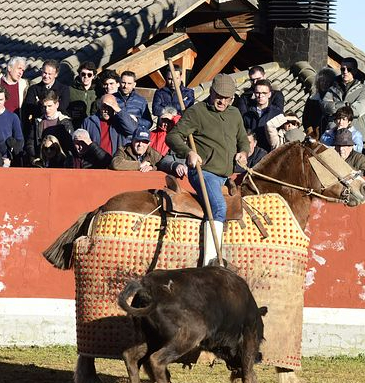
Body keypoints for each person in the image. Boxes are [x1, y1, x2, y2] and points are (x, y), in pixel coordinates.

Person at [167, 73, 249, 265]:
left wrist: (243, 152)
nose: (222, 101)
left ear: (232, 98)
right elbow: (173, 137)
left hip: (227, 176)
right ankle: (211, 261)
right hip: (204, 173)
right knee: (218, 207)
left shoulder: (235, 113)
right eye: (219, 96)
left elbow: (243, 139)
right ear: (211, 92)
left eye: (227, 98)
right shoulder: (197, 112)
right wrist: (188, 152)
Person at [322, 57, 365, 146]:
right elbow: (325, 106)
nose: (345, 71)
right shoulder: (332, 88)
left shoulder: (363, 89)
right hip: (334, 134)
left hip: (356, 136)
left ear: (355, 71)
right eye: (342, 69)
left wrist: (336, 107)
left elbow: (358, 110)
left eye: (349, 69)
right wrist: (345, 105)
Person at [25, 90, 74, 165]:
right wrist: (35, 157)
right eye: (44, 106)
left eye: (50, 106)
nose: (47, 109)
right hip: (42, 162)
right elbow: (30, 142)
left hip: (61, 163)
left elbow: (70, 145)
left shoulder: (65, 122)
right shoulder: (38, 122)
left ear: (57, 104)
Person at [111, 129, 187, 177]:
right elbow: (116, 163)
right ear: (132, 141)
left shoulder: (154, 154)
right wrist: (140, 165)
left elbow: (161, 164)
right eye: (137, 141)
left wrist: (152, 168)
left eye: (144, 142)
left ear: (149, 143)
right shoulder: (123, 150)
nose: (140, 144)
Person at [0, 84, 24, 165]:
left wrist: (11, 157)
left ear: (5, 99)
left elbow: (19, 140)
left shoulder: (13, 117)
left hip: (7, 160)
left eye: (1, 100)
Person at [23, 59, 70, 123]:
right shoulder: (33, 89)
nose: (46, 76)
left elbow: (63, 107)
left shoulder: (64, 89)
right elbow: (29, 107)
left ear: (56, 74)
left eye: (49, 74)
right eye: (44, 73)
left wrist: (39, 104)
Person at [241, 79, 283, 151]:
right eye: (258, 93)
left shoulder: (277, 114)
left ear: (269, 94)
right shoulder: (247, 115)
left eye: (264, 93)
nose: (260, 96)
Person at [303, 66, 336, 134]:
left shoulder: (335, 99)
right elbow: (305, 119)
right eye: (322, 81)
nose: (324, 83)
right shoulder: (312, 99)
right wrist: (310, 130)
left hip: (330, 133)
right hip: (314, 134)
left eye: (327, 81)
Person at [67, 61, 98, 129]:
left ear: (93, 76)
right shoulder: (70, 90)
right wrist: (70, 113)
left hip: (93, 126)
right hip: (75, 126)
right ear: (79, 74)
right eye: (83, 74)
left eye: (89, 75)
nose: (86, 77)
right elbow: (63, 108)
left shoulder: (97, 91)